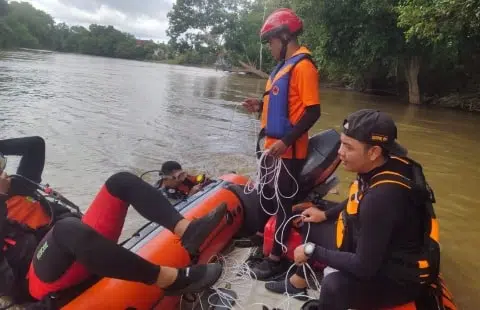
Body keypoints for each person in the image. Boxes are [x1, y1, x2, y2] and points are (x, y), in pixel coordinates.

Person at [0, 138, 226, 304]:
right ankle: (171, 280)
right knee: (65, 229)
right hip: (37, 278)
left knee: (120, 182)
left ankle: (188, 231)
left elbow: (35, 145)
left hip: (78, 246)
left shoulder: (18, 186)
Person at [265, 109, 443, 310]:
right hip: (385, 244)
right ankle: (299, 282)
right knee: (309, 222)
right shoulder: (382, 164)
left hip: (399, 277)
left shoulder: (382, 198)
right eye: (341, 142)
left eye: (348, 147)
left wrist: (311, 251)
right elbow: (357, 195)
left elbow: (364, 267)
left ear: (374, 152)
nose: (340, 152)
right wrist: (324, 214)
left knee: (333, 287)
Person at [242, 8, 320, 280]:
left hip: (289, 151)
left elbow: (312, 112)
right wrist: (260, 106)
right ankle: (262, 240)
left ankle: (275, 257)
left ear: (285, 37)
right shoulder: (280, 69)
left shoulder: (303, 67)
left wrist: (286, 142)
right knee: (265, 196)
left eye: (271, 42)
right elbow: (285, 106)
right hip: (271, 149)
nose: (270, 47)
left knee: (283, 204)